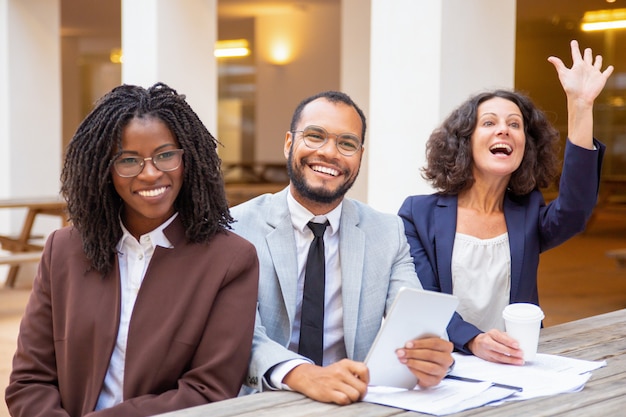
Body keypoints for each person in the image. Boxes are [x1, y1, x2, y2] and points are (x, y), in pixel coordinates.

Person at [5, 83, 259, 417]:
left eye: (166, 155)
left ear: (189, 159)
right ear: (103, 169)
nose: (151, 173)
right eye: (128, 160)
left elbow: (209, 390)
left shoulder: (230, 260)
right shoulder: (63, 250)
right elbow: (29, 381)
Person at [229, 90, 454, 405]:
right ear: (288, 143)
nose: (329, 152)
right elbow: (236, 335)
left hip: (355, 402)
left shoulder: (387, 232)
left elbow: (413, 325)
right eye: (315, 136)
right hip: (264, 401)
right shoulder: (236, 228)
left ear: (360, 155)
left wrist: (432, 355)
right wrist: (303, 375)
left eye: (346, 143)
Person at [398, 40, 613, 365]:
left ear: (526, 146)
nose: (504, 131)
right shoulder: (417, 214)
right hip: (446, 367)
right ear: (464, 141)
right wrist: (474, 340)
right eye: (489, 123)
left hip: (517, 365)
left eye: (515, 124)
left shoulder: (528, 213)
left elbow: (575, 210)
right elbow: (421, 299)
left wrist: (580, 106)